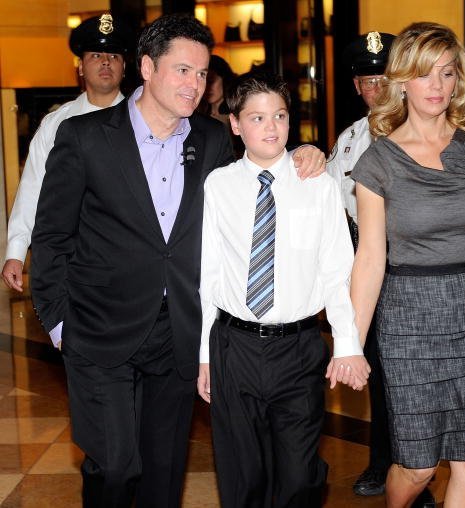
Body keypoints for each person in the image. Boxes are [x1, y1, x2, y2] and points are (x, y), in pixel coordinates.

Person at [30, 14, 325, 507]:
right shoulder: (82, 137)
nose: (195, 84)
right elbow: (52, 236)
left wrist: (306, 154)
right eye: (183, 71)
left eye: (202, 73)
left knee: (163, 474)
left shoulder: (209, 140)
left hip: (178, 335)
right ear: (146, 67)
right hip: (99, 330)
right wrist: (60, 324)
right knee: (117, 464)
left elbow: (254, 176)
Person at [350, 22, 465, 507]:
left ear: (460, 80)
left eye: (448, 74)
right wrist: (350, 344)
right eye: (424, 74)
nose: (437, 86)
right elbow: (370, 259)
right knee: (416, 467)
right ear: (402, 80)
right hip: (410, 320)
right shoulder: (380, 164)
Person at [197, 71, 370, 507]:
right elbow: (208, 276)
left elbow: (336, 270)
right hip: (233, 346)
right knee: (243, 477)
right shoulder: (218, 186)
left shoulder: (319, 185)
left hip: (297, 346)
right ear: (235, 124)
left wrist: (347, 344)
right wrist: (205, 356)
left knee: (299, 477)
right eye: (256, 118)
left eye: (279, 115)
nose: (271, 127)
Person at [328, 31, 421, 502]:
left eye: (385, 78)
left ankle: (417, 472)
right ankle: (386, 462)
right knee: (381, 373)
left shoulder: (425, 131)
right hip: (366, 268)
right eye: (368, 81)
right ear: (357, 87)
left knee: (416, 379)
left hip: (415, 269)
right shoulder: (348, 141)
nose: (377, 89)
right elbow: (326, 204)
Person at [2, 13, 129, 292]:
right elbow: (34, 186)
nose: (106, 62)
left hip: (130, 259)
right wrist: (16, 250)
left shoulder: (144, 121)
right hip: (73, 261)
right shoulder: (57, 123)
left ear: (124, 67)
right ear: (81, 67)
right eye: (96, 55)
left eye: (114, 56)